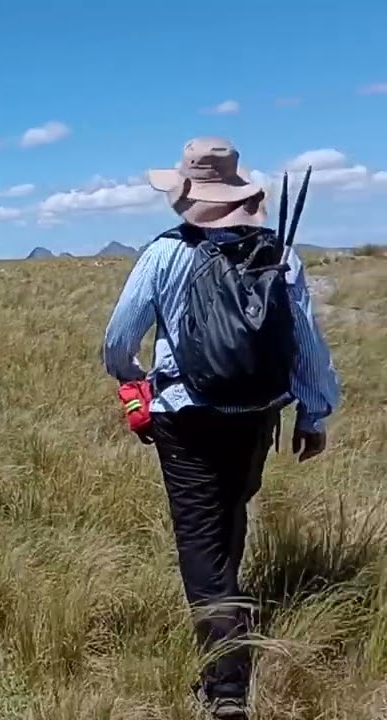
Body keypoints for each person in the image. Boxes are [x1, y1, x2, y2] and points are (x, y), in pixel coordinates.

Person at [100, 137, 341, 718]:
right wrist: (312, 413)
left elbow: (118, 339)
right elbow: (306, 344)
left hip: (185, 417)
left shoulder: (165, 254)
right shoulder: (281, 254)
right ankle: (229, 614)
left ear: (187, 194)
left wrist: (133, 377)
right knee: (232, 512)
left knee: (199, 542)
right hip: (256, 414)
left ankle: (225, 688)